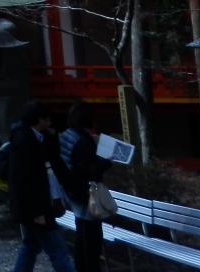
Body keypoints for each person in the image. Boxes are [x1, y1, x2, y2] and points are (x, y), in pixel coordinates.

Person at [8, 101, 75, 272]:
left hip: (32, 206)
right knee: (57, 249)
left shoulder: (29, 137)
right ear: (39, 120)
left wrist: (51, 137)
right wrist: (37, 212)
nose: (49, 123)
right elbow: (23, 180)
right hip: (36, 207)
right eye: (47, 119)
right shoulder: (26, 141)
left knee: (31, 246)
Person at [60, 101, 108, 272]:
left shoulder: (66, 135)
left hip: (71, 191)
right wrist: (106, 163)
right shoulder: (83, 140)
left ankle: (80, 267)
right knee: (91, 239)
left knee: (81, 235)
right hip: (85, 193)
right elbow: (89, 170)